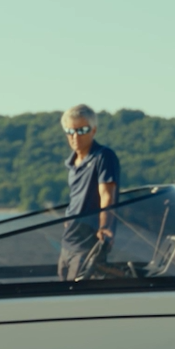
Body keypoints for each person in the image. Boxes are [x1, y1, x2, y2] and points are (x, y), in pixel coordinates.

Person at [58, 104, 120, 280]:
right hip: (69, 239)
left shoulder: (103, 156)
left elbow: (107, 195)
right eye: (70, 131)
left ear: (93, 130)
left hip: (89, 241)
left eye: (82, 130)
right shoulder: (71, 163)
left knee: (77, 295)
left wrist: (105, 227)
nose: (75, 136)